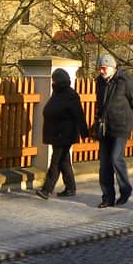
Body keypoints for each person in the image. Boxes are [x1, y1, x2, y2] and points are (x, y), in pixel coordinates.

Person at [94, 53, 133, 208]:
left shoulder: (124, 80)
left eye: (104, 68)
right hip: (105, 127)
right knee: (104, 164)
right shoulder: (99, 82)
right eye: (100, 68)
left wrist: (127, 117)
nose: (101, 71)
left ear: (112, 67)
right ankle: (107, 197)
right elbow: (99, 104)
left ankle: (125, 189)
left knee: (116, 158)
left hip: (121, 126)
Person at [36, 68, 88, 200]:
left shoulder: (70, 95)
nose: (53, 82)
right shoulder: (57, 93)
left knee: (55, 162)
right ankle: (70, 188)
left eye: (54, 79)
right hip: (57, 133)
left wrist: (84, 132)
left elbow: (79, 115)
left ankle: (46, 190)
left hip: (65, 134)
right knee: (64, 161)